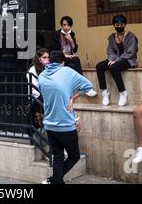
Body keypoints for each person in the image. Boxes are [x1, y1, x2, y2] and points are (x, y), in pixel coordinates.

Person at [38, 51, 95, 184]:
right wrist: (72, 98)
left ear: (50, 62)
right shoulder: (67, 71)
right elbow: (88, 86)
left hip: (49, 125)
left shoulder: (41, 76)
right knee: (74, 156)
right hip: (65, 125)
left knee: (57, 156)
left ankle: (55, 180)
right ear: (62, 62)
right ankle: (55, 180)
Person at [96, 15, 138, 107]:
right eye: (117, 25)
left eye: (121, 24)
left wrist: (116, 60)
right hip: (115, 59)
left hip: (128, 60)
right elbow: (110, 50)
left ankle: (123, 92)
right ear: (114, 25)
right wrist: (111, 59)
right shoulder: (112, 37)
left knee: (113, 67)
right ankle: (104, 92)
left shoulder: (131, 36)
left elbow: (130, 53)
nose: (119, 27)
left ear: (125, 24)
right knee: (99, 66)